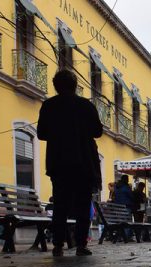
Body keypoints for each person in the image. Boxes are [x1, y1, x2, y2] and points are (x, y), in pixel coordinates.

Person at [37, 69, 103, 257]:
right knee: (83, 204)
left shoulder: (48, 106)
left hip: (59, 163)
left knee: (60, 204)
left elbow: (41, 134)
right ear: (75, 86)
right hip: (83, 162)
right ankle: (81, 245)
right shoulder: (85, 106)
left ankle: (58, 245)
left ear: (56, 86)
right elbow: (97, 132)